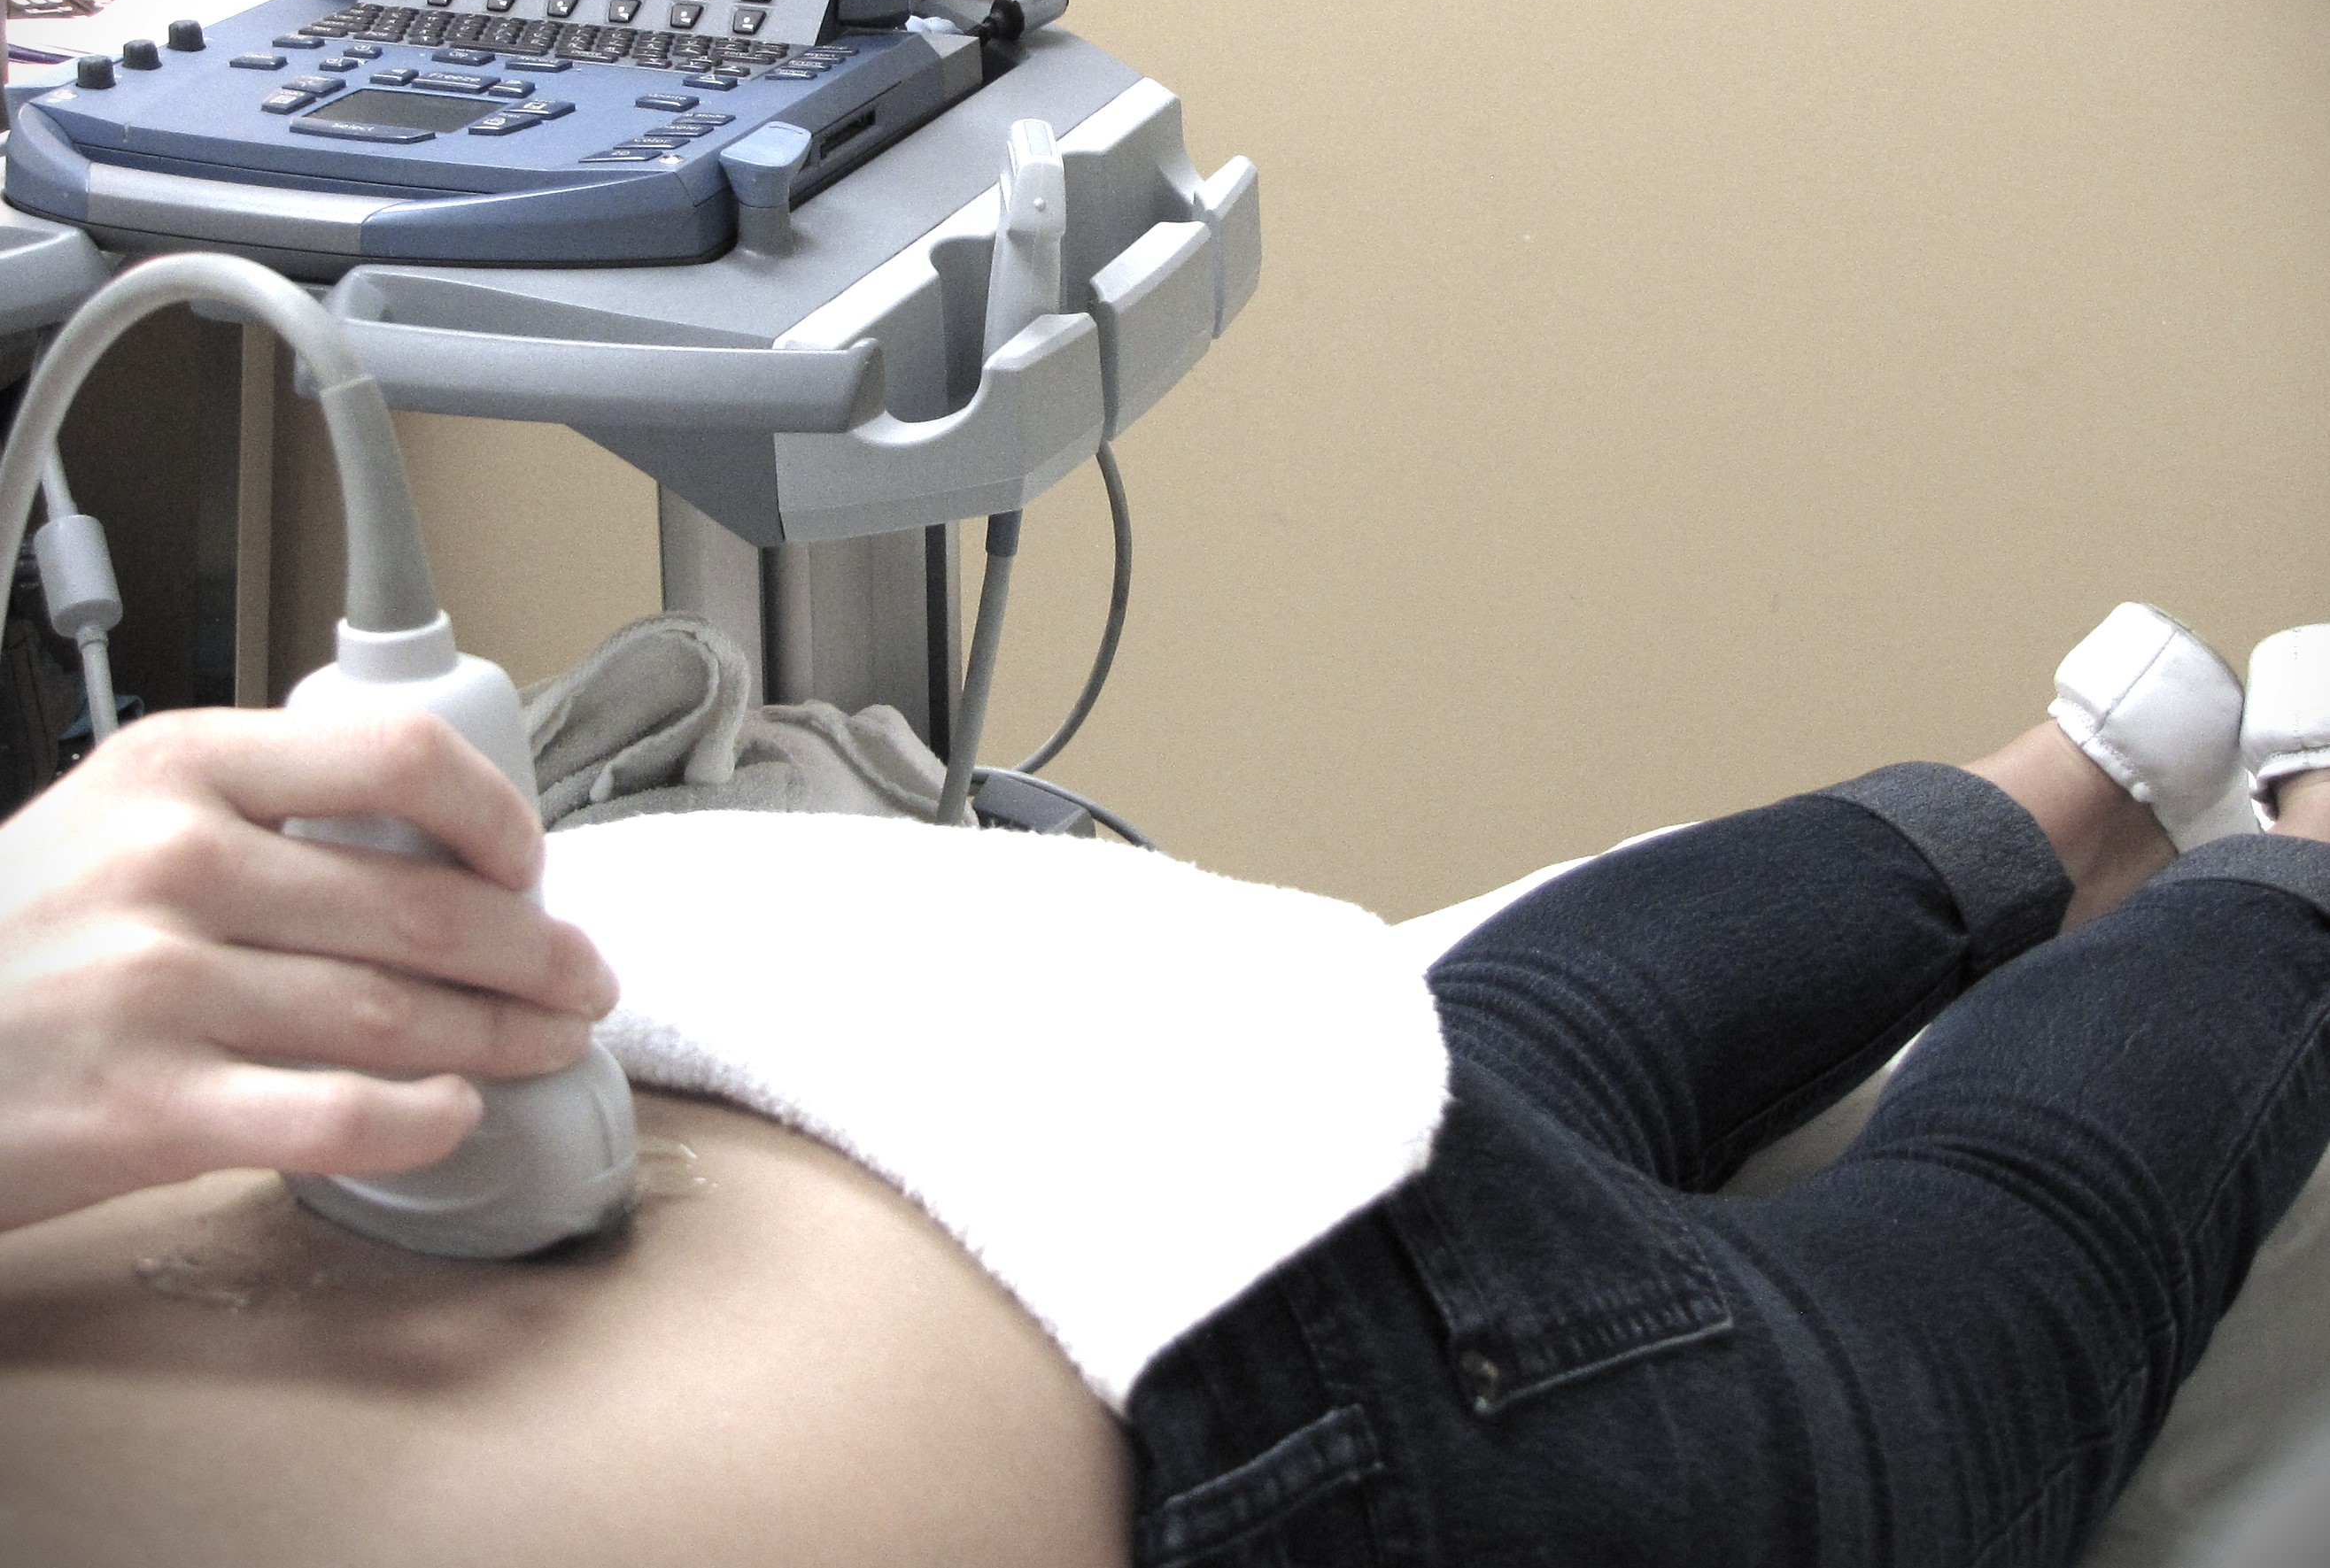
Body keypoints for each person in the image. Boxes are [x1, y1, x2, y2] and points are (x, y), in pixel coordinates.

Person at [4, 602, 2330, 1567]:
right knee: (1534, 1038)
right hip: (937, 1012)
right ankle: (2076, 778)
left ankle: (2289, 862)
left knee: (1986, 1287)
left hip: (1253, 1352)